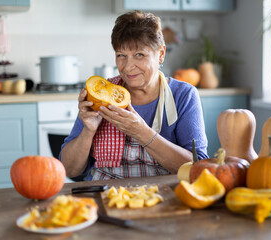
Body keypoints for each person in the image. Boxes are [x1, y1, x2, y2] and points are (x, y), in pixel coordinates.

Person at [60, 10, 208, 181]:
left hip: (161, 196)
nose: (128, 66)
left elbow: (197, 168)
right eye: (121, 55)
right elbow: (70, 170)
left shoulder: (183, 95)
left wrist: (142, 133)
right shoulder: (99, 94)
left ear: (160, 54)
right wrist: (88, 130)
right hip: (104, 193)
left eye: (139, 55)